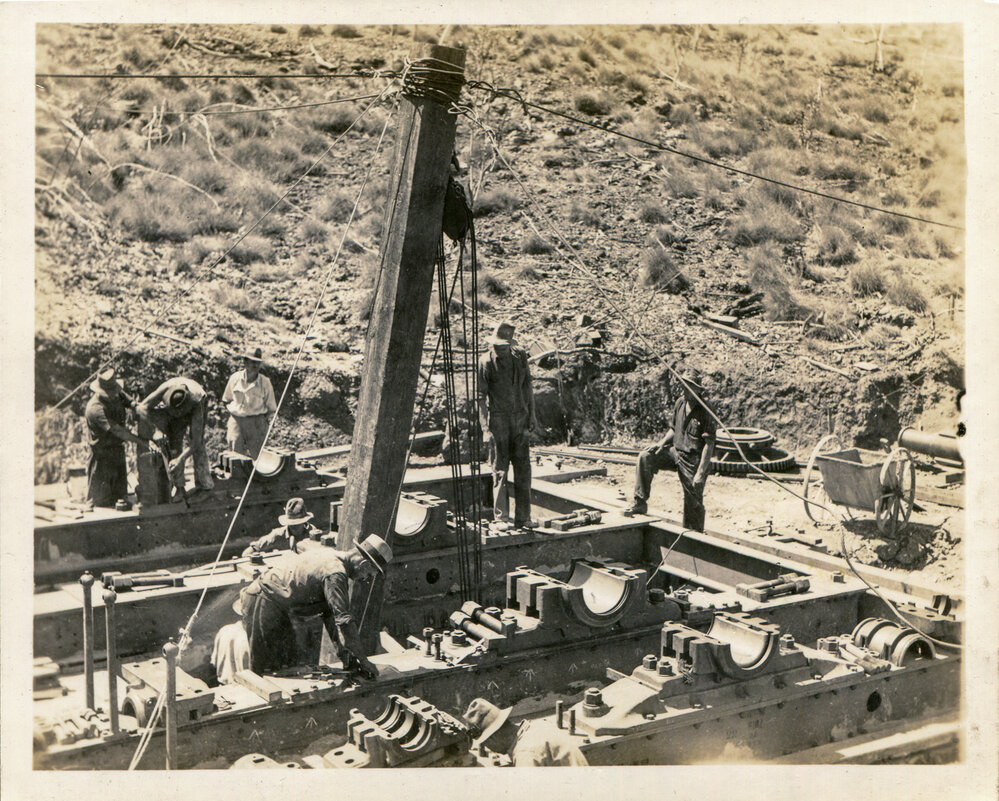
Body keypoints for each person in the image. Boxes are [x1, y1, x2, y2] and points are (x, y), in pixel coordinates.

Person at [238, 534, 393, 678]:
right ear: (364, 564)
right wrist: (364, 661)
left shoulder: (332, 557)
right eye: (368, 575)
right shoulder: (335, 573)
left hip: (276, 603)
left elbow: (331, 615)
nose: (364, 578)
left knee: (287, 665)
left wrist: (346, 656)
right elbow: (344, 620)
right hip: (263, 600)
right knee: (267, 672)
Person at [623, 374, 716, 531]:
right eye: (683, 385)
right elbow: (674, 429)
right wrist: (660, 444)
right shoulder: (680, 403)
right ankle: (640, 502)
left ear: (697, 390)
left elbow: (709, 445)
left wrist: (700, 472)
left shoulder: (706, 410)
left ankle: (694, 533)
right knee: (645, 457)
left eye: (688, 386)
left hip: (692, 460)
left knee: (693, 500)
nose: (684, 389)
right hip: (674, 453)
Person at [477, 321, 538, 528]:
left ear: (509, 345)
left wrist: (532, 415)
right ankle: (501, 518)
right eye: (496, 346)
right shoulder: (485, 362)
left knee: (523, 469)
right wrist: (485, 429)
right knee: (500, 470)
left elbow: (527, 385)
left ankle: (524, 517)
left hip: (520, 418)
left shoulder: (519, 357)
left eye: (503, 346)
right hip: (499, 421)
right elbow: (480, 398)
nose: (499, 350)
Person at [136, 376, 214, 500]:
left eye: (179, 414)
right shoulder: (165, 389)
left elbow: (196, 441)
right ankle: (179, 487)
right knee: (174, 441)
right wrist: (156, 430)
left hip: (196, 401)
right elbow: (141, 408)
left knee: (198, 443)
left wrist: (181, 459)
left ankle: (204, 485)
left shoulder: (196, 404)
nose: (177, 416)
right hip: (174, 405)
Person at [83, 367, 146, 508]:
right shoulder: (95, 409)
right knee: (100, 503)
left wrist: (137, 407)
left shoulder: (116, 393)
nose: (113, 395)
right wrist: (140, 441)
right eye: (109, 393)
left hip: (117, 451)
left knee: (120, 499)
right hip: (101, 456)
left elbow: (127, 400)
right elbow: (118, 431)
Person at [462, 698, 588, 767]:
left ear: (493, 737)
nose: (491, 750)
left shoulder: (526, 755)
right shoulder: (536, 726)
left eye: (486, 743)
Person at [222, 347, 277, 459]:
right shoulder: (235, 378)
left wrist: (261, 423)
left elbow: (271, 408)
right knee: (235, 458)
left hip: (256, 424)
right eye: (252, 362)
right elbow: (226, 399)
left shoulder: (265, 382)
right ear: (245, 362)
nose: (255, 365)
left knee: (259, 458)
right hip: (237, 421)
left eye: (258, 363)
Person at [242, 497, 323, 557]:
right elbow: (250, 551)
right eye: (291, 523)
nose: (294, 526)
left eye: (297, 523)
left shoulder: (312, 532)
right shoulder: (278, 535)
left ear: (304, 521)